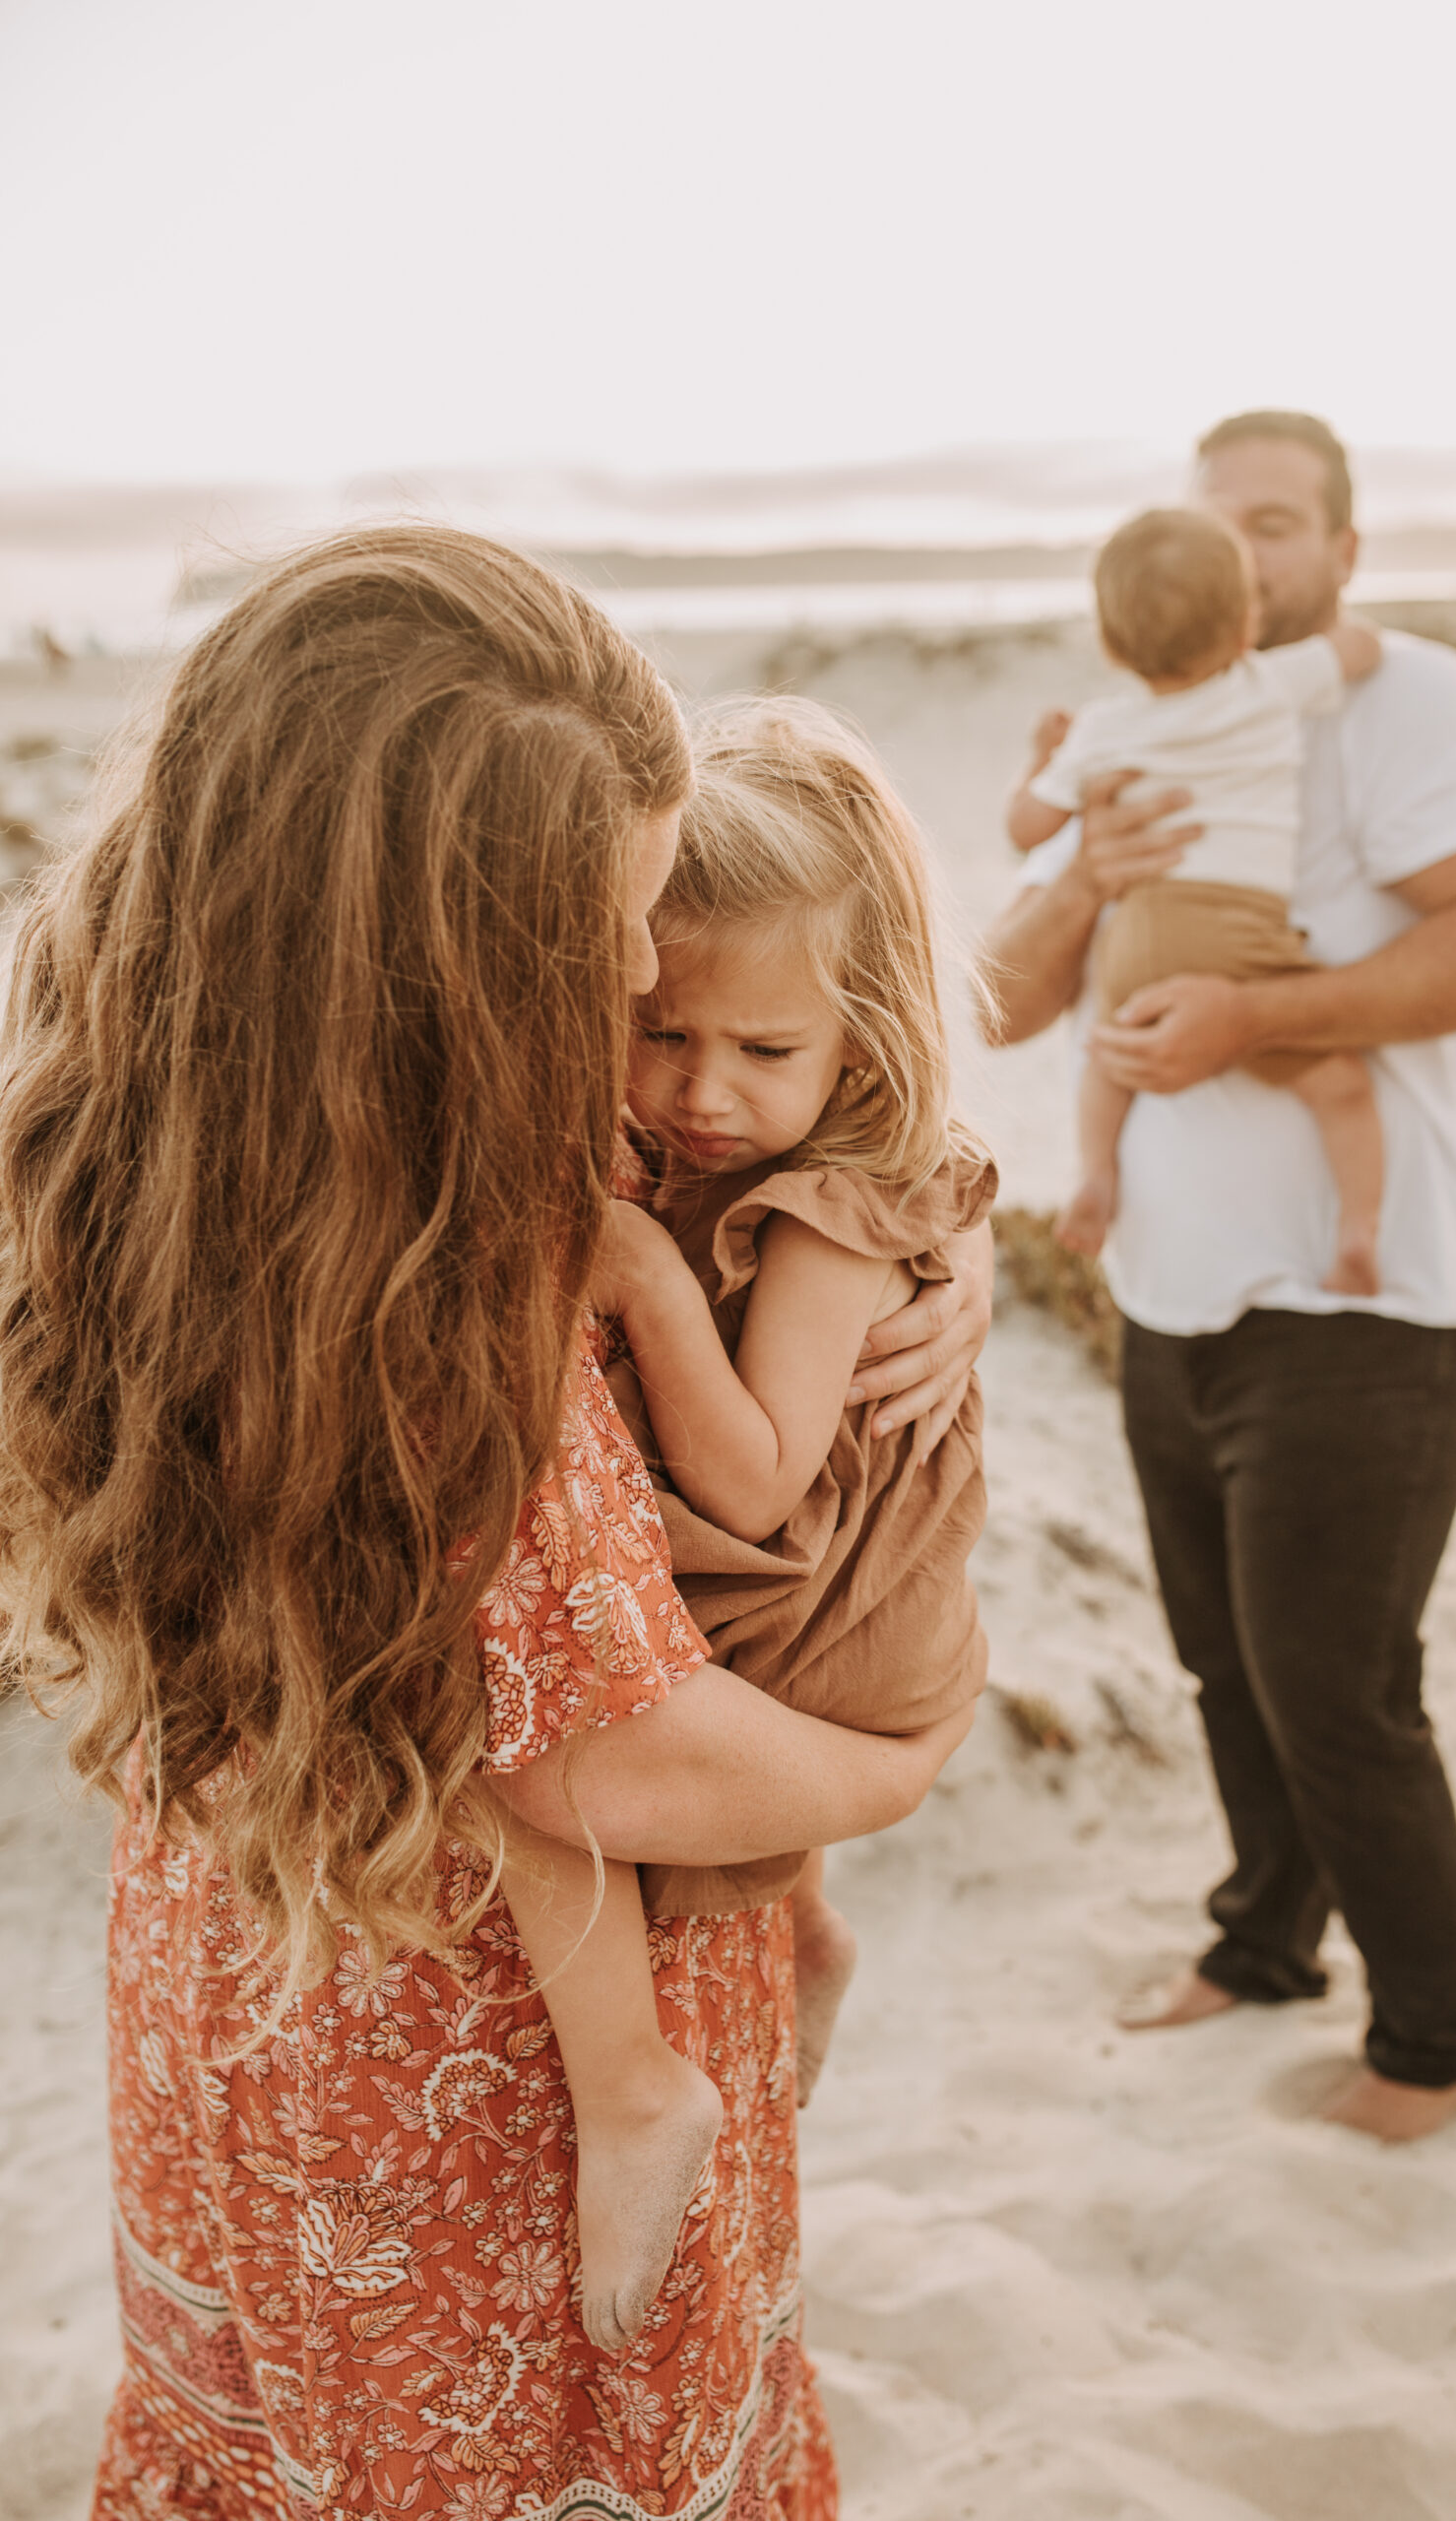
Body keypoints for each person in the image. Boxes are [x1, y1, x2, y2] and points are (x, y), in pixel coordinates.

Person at [0, 525, 985, 2516]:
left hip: (238, 1957)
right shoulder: (456, 1288)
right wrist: (906, 1753)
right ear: (458, 964)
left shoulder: (158, 1139)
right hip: (462, 2048)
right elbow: (607, 1751)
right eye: (605, 936)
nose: (641, 979)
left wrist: (919, 1260)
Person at [983, 411, 1456, 2144]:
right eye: (1210, 525)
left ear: (1340, 551)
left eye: (1275, 523)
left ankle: (1436, 2037)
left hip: (1366, 1300)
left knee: (1334, 1684)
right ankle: (1262, 1950)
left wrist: (1261, 1018)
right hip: (1168, 1290)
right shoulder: (1151, 730)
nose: (1241, 556)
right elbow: (1011, 1000)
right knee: (1222, 1663)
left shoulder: (1413, 705)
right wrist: (1085, 874)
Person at [504, 698, 993, 2358]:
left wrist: (642, 1278)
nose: (704, 1093)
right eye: (664, 1035)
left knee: (529, 1720)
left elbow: (758, 1482)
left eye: (766, 1054)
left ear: (856, 1047)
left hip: (829, 1600)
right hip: (802, 1583)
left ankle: (658, 2064)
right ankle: (808, 1930)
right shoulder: (705, 1126)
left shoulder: (828, 1204)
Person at [1005, 504, 1385, 1289]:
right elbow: (1361, 649)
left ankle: (1093, 1177)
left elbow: (1025, 827)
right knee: (1338, 1086)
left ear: (1110, 643)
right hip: (1241, 931)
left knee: (1109, 1057)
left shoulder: (1104, 728)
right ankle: (1357, 1232)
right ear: (1246, 626)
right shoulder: (1268, 684)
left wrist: (1043, 760)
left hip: (1144, 930)